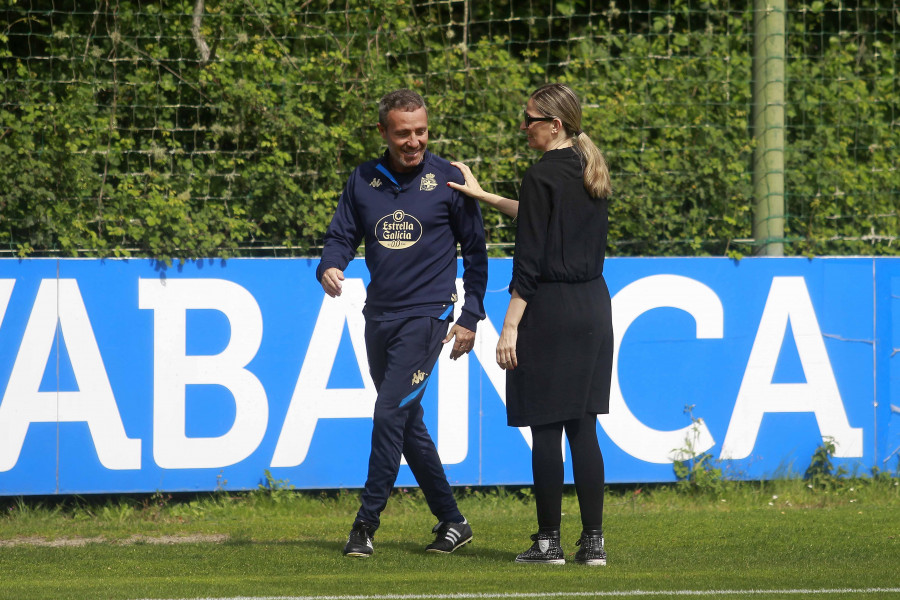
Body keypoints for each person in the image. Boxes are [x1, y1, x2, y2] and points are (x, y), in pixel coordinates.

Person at [317, 89, 488, 558]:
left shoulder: (450, 180)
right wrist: (330, 265)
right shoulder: (363, 179)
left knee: (388, 413)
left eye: (421, 132)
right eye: (403, 133)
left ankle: (365, 524)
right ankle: (453, 521)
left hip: (428, 318)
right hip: (379, 318)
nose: (413, 142)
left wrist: (470, 314)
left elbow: (476, 254)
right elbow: (341, 236)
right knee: (406, 422)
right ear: (383, 133)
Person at [448, 83, 612, 566]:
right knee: (584, 428)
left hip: (550, 309)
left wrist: (509, 326)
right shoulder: (589, 168)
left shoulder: (541, 174)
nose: (524, 126)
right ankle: (594, 542)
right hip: (593, 307)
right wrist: (484, 196)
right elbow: (540, 220)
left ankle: (547, 543)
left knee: (545, 428)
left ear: (554, 124)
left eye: (530, 118)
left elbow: (531, 259)